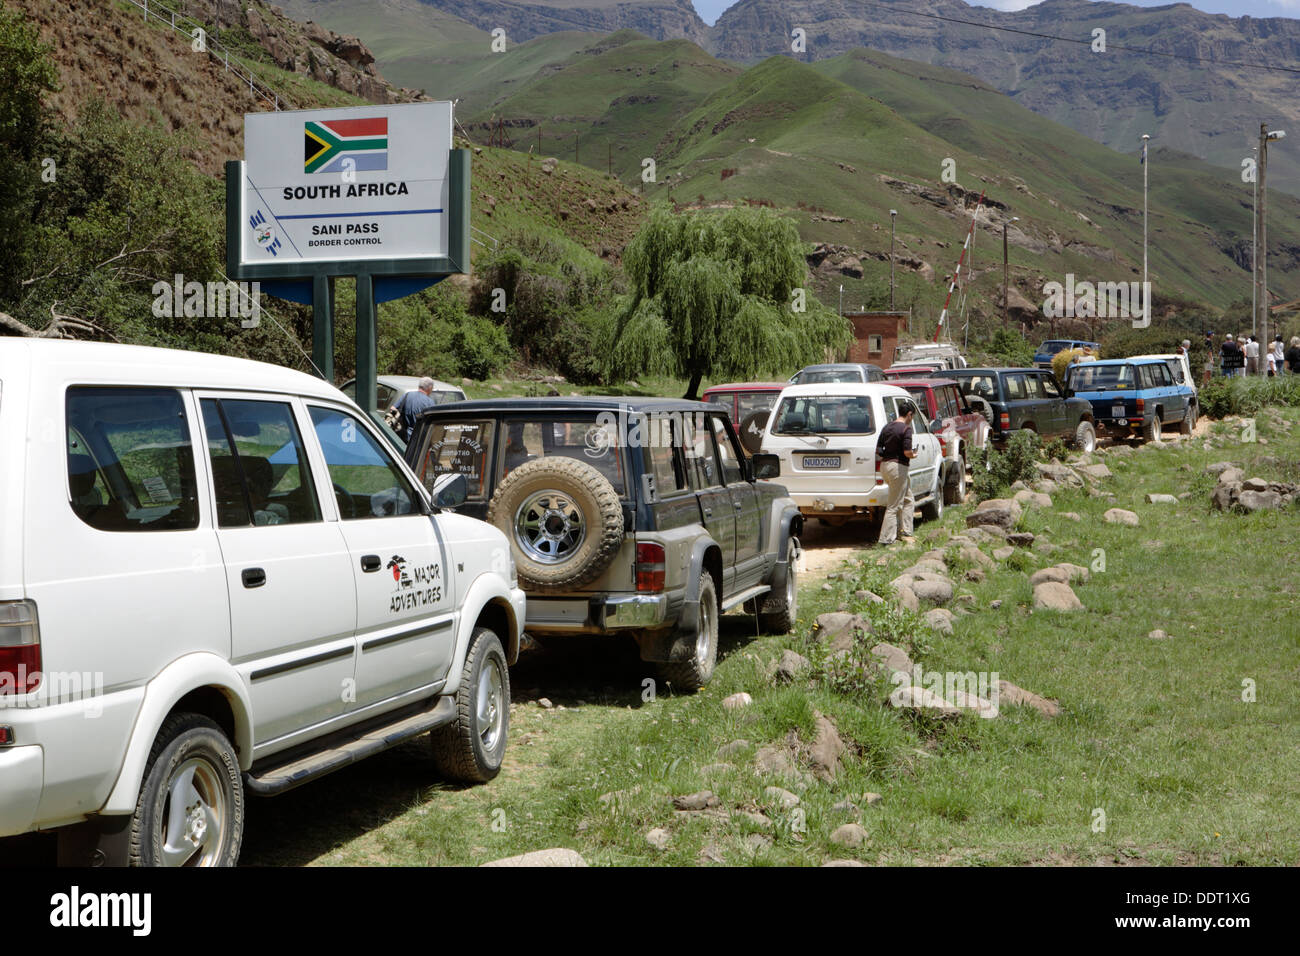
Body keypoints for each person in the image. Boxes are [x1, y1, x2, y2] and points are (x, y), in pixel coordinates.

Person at [877, 404, 917, 546]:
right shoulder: (906, 429)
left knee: (908, 499)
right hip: (898, 468)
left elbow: (879, 449)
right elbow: (907, 452)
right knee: (893, 506)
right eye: (912, 417)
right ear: (909, 414)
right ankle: (886, 539)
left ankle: (906, 531)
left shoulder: (887, 427)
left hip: (885, 466)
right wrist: (914, 454)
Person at [391, 377, 438, 443]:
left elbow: (393, 408)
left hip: (402, 435)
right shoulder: (429, 402)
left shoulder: (407, 395)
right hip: (418, 438)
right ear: (429, 388)